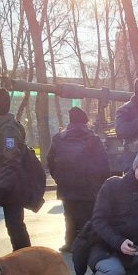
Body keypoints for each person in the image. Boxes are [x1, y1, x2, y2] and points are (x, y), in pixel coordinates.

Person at [47, 107, 110, 252]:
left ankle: (70, 243)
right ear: (85, 122)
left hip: (66, 187)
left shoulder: (58, 139)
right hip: (89, 188)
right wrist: (100, 184)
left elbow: (50, 161)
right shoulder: (93, 139)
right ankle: (87, 246)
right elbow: (104, 164)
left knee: (69, 216)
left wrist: (60, 179)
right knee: (88, 217)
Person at [0, 88, 32, 251]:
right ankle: (22, 254)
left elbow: (11, 158)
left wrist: (4, 185)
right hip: (10, 183)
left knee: (15, 224)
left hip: (12, 186)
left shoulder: (8, 130)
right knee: (13, 224)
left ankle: (24, 256)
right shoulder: (2, 126)